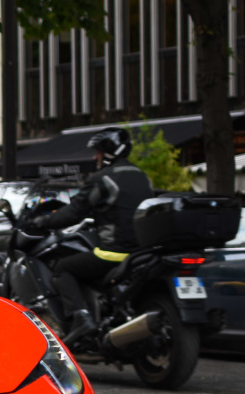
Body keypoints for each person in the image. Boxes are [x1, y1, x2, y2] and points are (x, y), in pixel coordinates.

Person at [22, 127, 154, 344]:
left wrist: (42, 221)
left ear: (109, 153)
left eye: (98, 153)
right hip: (141, 252)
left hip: (114, 252)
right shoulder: (142, 177)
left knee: (64, 268)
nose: (95, 157)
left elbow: (74, 212)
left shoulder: (103, 180)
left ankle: (81, 318)